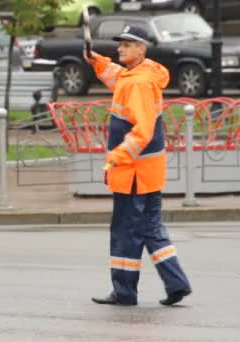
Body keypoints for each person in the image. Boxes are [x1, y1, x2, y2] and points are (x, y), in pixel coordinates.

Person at [84, 25, 192, 306]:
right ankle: (177, 283)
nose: (120, 48)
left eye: (127, 44)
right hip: (149, 173)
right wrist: (97, 60)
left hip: (133, 174)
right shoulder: (143, 73)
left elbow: (142, 131)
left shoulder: (137, 83)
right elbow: (118, 78)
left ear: (141, 48)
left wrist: (116, 157)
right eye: (120, 44)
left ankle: (124, 292)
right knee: (151, 230)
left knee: (125, 234)